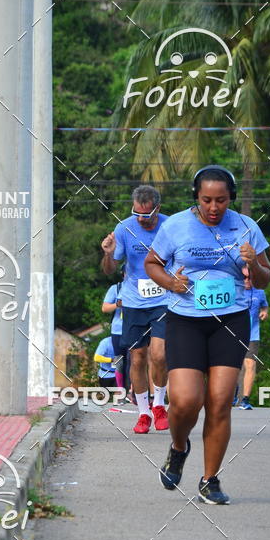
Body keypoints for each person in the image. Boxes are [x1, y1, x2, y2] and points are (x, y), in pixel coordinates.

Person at [144, 165, 270, 504]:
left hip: (230, 321)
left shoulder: (246, 227)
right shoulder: (176, 226)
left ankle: (209, 479)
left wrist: (253, 264)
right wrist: (171, 282)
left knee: (219, 402)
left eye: (221, 201)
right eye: (207, 201)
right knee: (186, 400)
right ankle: (178, 447)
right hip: (185, 319)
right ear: (195, 198)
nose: (214, 208)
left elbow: (264, 278)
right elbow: (152, 263)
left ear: (230, 198)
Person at [101, 185, 169, 434]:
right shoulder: (124, 227)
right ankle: (143, 413)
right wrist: (108, 254)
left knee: (159, 355)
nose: (142, 219)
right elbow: (110, 268)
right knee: (137, 357)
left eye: (147, 214)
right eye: (138, 213)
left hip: (163, 299)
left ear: (157, 209)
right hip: (133, 301)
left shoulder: (170, 226)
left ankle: (159, 405)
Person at [235, 276, 268, 409]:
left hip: (252, 334)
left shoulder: (259, 291)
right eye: (244, 278)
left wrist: (264, 312)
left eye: (250, 278)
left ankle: (245, 399)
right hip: (234, 334)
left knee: (250, 364)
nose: (247, 281)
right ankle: (232, 394)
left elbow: (264, 306)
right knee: (233, 366)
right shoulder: (234, 289)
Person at [102, 279, 127, 391]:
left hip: (136, 329)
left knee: (137, 360)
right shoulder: (116, 288)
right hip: (118, 330)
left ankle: (134, 390)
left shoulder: (140, 285)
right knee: (120, 360)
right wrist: (117, 304)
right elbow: (105, 308)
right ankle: (121, 390)